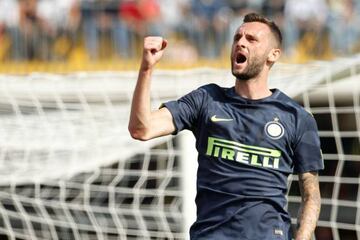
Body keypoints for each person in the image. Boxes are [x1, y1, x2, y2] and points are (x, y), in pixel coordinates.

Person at [129, 12, 323, 240]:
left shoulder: (296, 117)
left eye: (251, 39)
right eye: (237, 37)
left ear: (273, 55)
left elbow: (311, 195)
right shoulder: (206, 100)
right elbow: (142, 129)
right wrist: (146, 69)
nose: (240, 42)